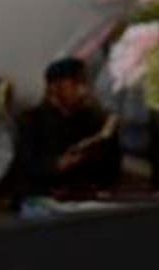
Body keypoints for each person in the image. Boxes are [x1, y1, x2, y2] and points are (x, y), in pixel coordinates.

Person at [18, 57, 122, 197]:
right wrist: (58, 165)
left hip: (85, 198)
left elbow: (110, 172)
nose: (83, 91)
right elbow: (26, 168)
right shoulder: (31, 120)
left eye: (85, 83)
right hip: (45, 199)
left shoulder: (92, 119)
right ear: (55, 88)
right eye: (76, 84)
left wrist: (108, 140)